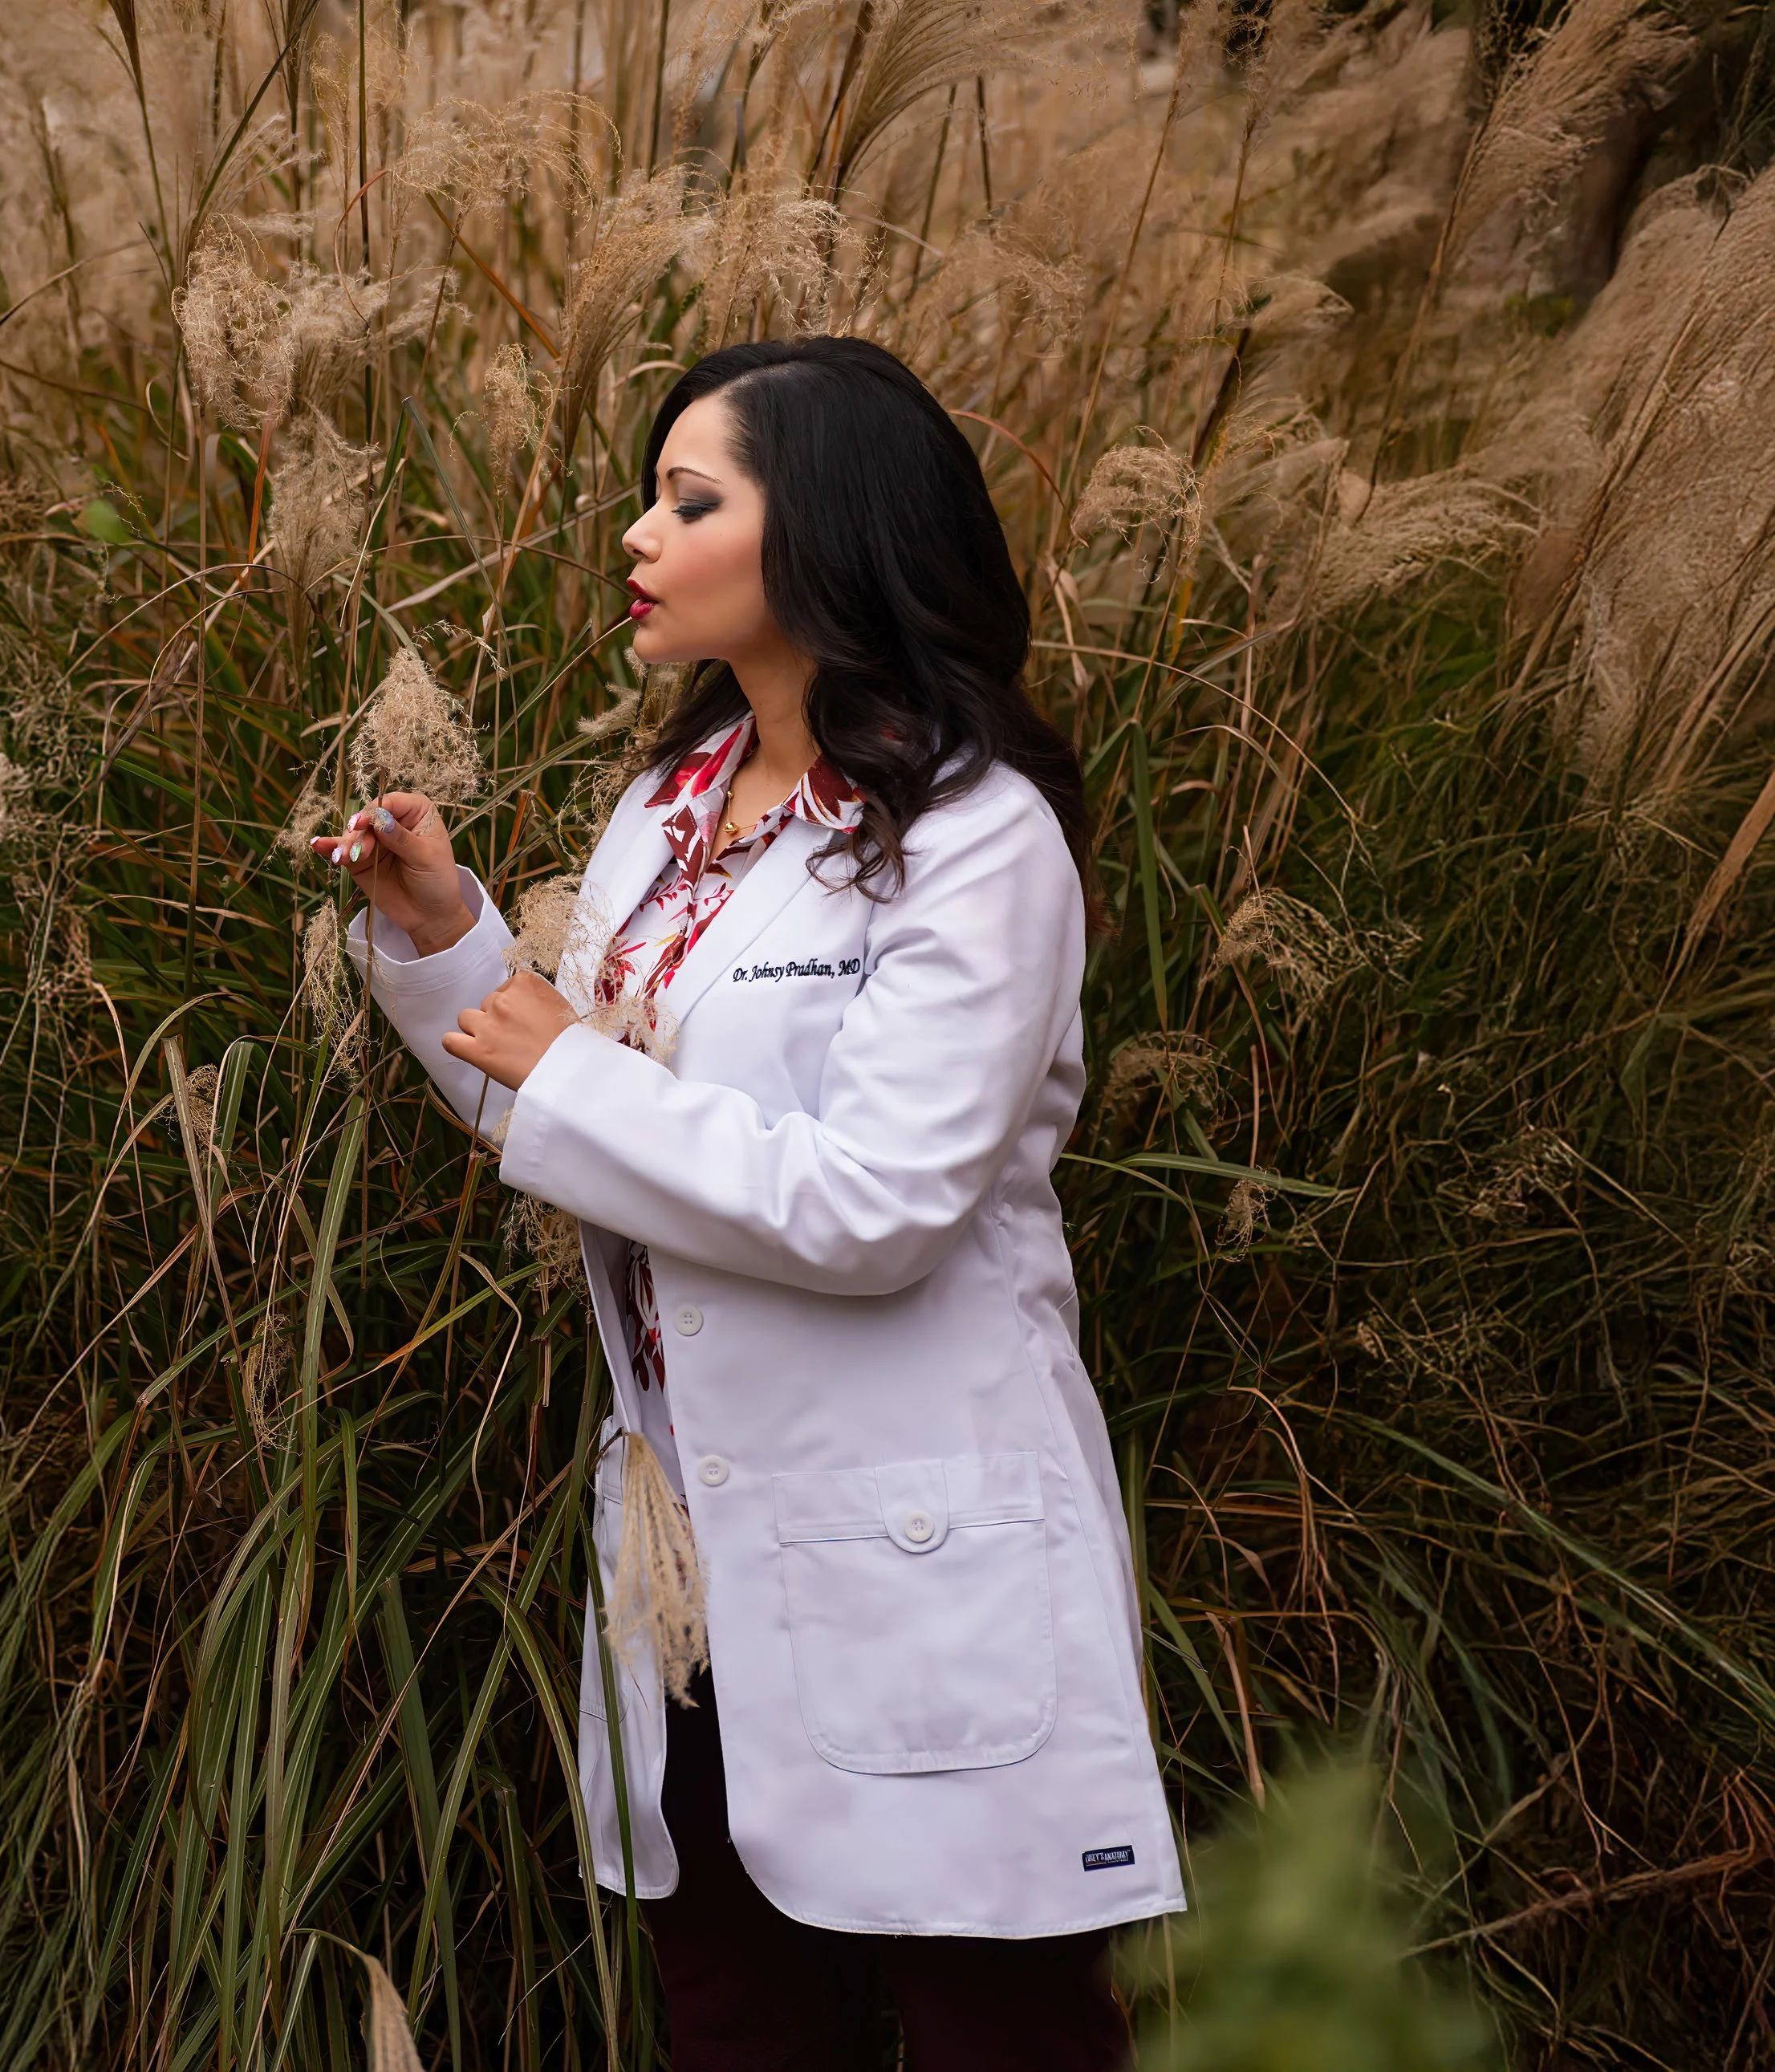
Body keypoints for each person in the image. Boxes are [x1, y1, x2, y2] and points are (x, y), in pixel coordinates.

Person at [317, 336, 1184, 2069]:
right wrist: (450, 947)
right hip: (687, 1552)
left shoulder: (971, 832)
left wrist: (560, 1055)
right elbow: (590, 1124)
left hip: (914, 1540)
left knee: (992, 2027)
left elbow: (880, 1202)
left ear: (835, 533)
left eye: (689, 499)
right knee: (732, 2018)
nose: (638, 533)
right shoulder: (664, 811)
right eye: (648, 494)